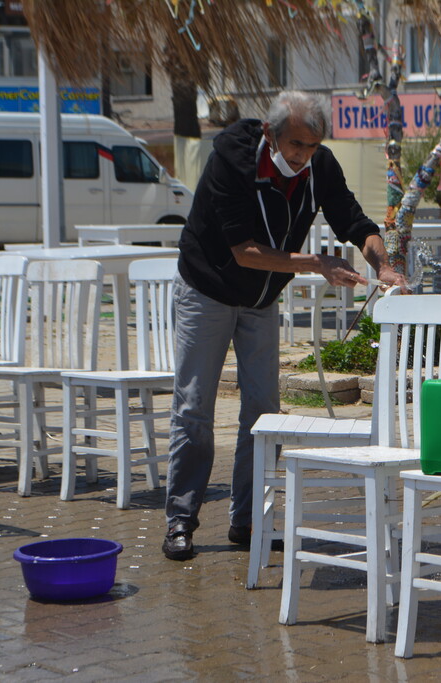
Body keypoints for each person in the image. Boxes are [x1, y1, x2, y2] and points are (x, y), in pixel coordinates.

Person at [163, 91, 407, 560]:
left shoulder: (320, 167)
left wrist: (383, 264)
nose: (302, 155)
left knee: (263, 411)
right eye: (295, 144)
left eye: (312, 146)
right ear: (271, 134)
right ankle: (180, 518)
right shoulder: (231, 159)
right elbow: (244, 251)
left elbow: (354, 221)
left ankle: (248, 519)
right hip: (207, 289)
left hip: (259, 299)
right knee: (194, 407)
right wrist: (316, 263)